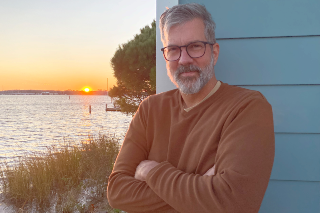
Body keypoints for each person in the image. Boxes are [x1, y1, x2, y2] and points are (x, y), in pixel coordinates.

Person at [107, 3, 275, 213]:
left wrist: (151, 172)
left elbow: (234, 203)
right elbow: (117, 192)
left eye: (195, 46)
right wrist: (202, 193)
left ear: (214, 52)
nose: (184, 59)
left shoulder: (246, 108)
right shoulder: (150, 109)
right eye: (174, 49)